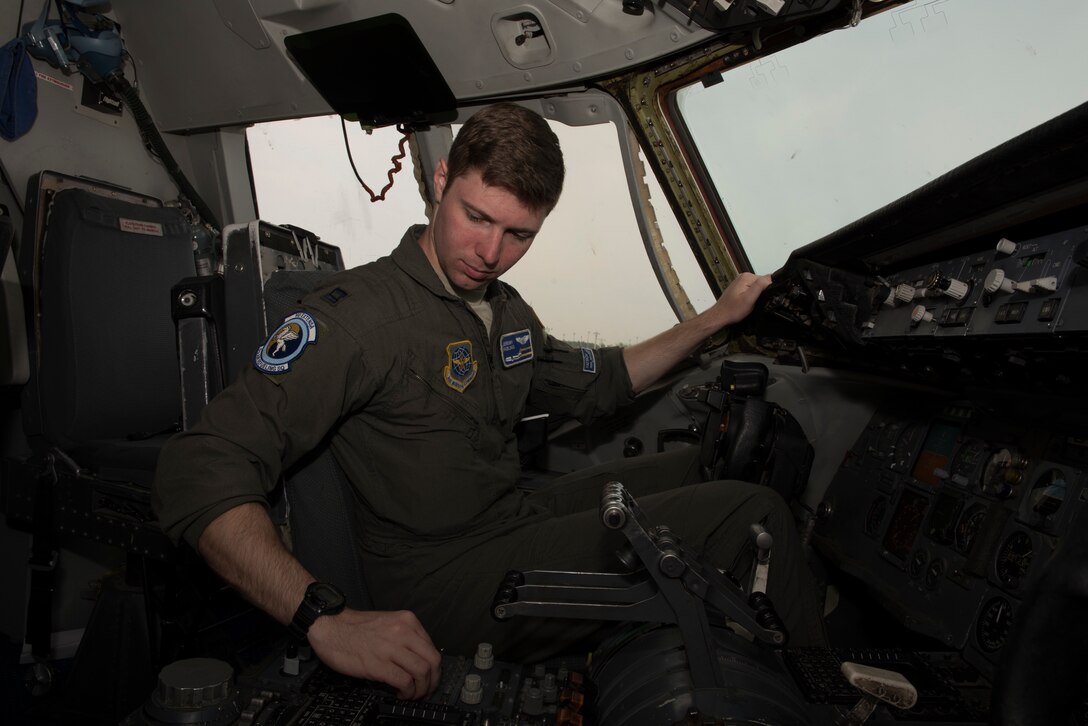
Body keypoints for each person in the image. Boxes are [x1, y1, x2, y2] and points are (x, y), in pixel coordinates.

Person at [152, 103, 824, 702]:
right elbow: (200, 471)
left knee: (712, 469)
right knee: (752, 512)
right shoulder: (356, 321)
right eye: (478, 218)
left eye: (518, 235)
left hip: (509, 518)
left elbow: (601, 382)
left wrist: (714, 319)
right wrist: (323, 619)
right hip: (440, 580)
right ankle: (822, 697)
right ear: (441, 182)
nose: (491, 253)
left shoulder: (504, 315)